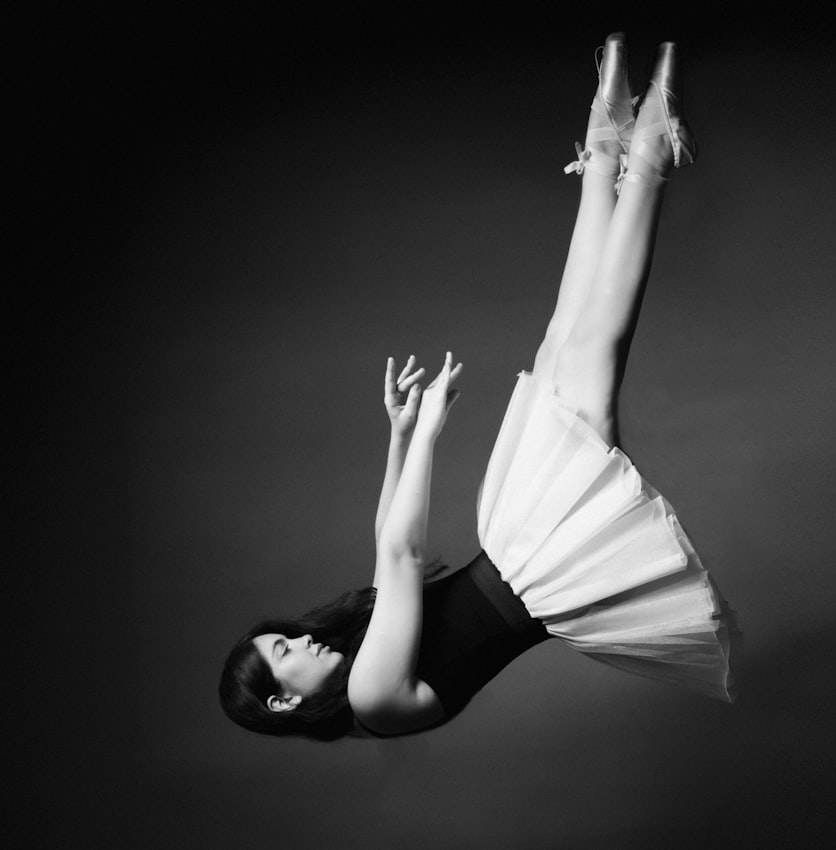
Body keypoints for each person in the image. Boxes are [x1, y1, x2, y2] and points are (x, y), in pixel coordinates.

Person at [219, 34, 738, 742]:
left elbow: (384, 548)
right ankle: (648, 154)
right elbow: (401, 557)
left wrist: (400, 438)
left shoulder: (367, 666)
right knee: (591, 344)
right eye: (285, 653)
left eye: (284, 637)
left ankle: (608, 150)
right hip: (541, 561)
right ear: (283, 702)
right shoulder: (374, 699)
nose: (300, 640)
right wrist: (430, 434)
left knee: (566, 335)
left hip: (517, 540)